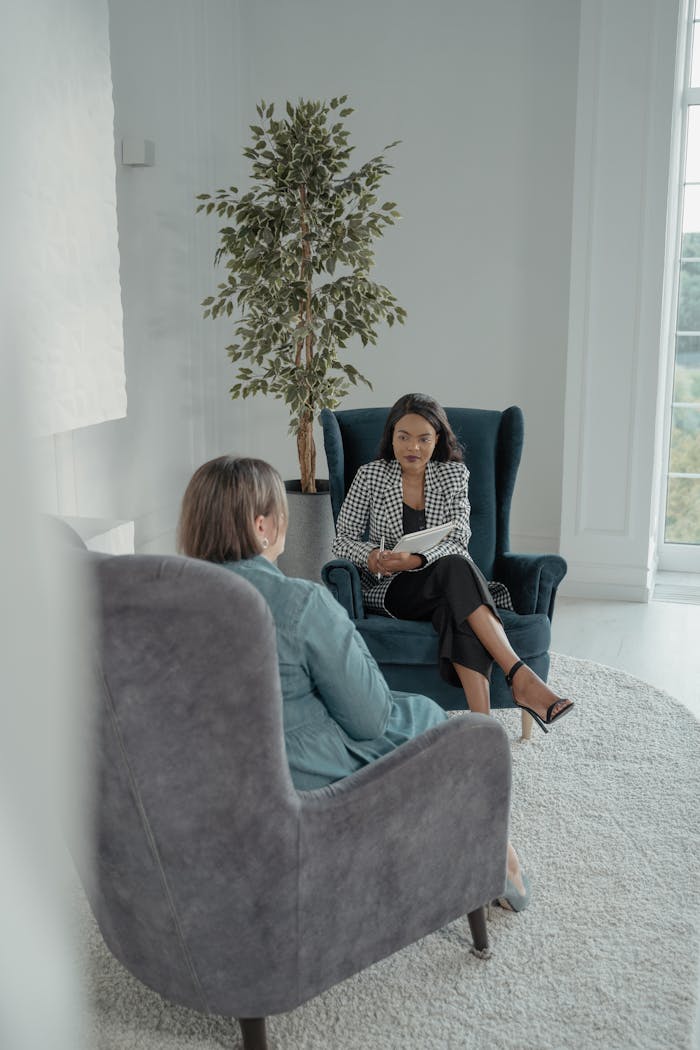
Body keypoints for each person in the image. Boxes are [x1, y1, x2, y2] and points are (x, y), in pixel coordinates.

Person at [178, 454, 530, 911]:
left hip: (217, 773)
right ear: (262, 526)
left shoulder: (169, 602)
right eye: (281, 511)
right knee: (437, 721)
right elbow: (370, 721)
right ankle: (494, 859)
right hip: (299, 776)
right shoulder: (299, 601)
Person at [332, 392, 574, 732]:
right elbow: (341, 540)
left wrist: (415, 558)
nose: (412, 447)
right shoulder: (371, 475)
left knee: (454, 607)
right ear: (391, 437)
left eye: (423, 438)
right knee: (455, 569)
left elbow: (459, 537)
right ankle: (520, 675)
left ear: (438, 440)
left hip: (446, 586)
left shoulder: (453, 475)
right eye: (403, 437)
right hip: (392, 589)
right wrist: (372, 558)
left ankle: (481, 728)